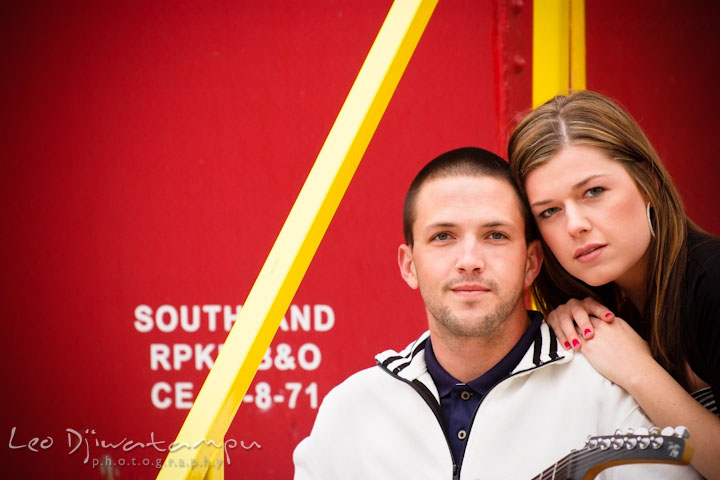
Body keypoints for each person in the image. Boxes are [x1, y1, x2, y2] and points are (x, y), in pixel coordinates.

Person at [293, 147, 699, 479]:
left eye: (495, 235)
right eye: (443, 237)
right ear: (409, 265)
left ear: (531, 262)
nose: (469, 260)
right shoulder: (349, 411)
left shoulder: (607, 395)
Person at [508, 90, 720, 479]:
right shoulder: (612, 309)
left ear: (648, 182)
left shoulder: (711, 282)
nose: (574, 225)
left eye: (593, 192)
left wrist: (638, 371)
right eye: (550, 211)